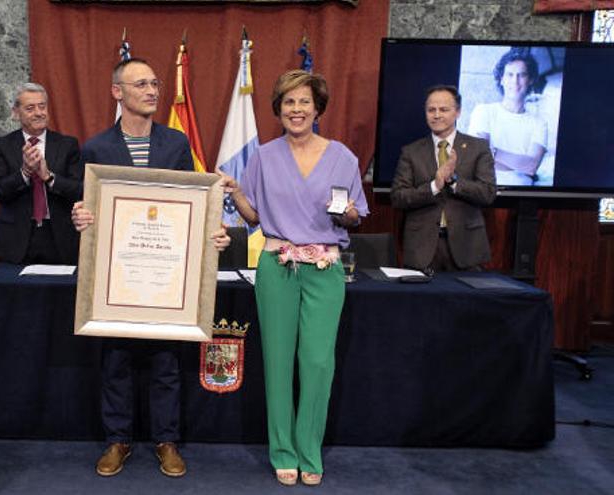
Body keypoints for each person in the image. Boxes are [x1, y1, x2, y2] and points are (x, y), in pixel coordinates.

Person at [70, 57, 230, 478]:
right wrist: (82, 219)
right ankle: (118, 439)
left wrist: (212, 231)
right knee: (116, 360)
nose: (153, 90)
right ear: (117, 93)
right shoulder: (96, 148)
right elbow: (93, 210)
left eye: (156, 83)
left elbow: (190, 206)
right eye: (141, 84)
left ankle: (166, 440)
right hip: (118, 273)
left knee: (165, 362)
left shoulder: (176, 144)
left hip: (164, 272)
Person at [218, 69, 367, 487]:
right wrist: (235, 192)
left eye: (304, 102)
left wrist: (348, 213)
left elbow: (355, 215)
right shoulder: (263, 156)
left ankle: (309, 450)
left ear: (317, 108)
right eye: (288, 102)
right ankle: (282, 450)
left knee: (318, 363)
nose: (296, 109)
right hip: (275, 266)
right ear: (278, 110)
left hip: (325, 269)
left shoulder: (343, 156)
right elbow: (254, 218)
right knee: (278, 362)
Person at [391, 85, 497, 273]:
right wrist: (435, 185)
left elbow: (487, 193)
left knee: (466, 302)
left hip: (467, 247)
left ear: (458, 112)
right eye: (431, 110)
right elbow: (398, 197)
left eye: (444, 109)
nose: (437, 115)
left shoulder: (478, 148)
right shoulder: (411, 151)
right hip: (422, 249)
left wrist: (454, 181)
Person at [0, 83, 84, 265]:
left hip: (59, 236)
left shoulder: (67, 145)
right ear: (16, 112)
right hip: (17, 237)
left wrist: (48, 177)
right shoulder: (3, 145)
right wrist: (25, 172)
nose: (39, 112)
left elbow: (78, 190)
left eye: (42, 106)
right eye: (30, 108)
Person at [467, 48, 547, 186]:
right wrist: (519, 163)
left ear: (531, 80)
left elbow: (531, 167)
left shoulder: (539, 124)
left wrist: (492, 151)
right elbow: (477, 158)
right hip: (484, 189)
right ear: (502, 79)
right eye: (510, 75)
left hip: (521, 195)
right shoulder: (483, 111)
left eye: (522, 75)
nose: (515, 81)